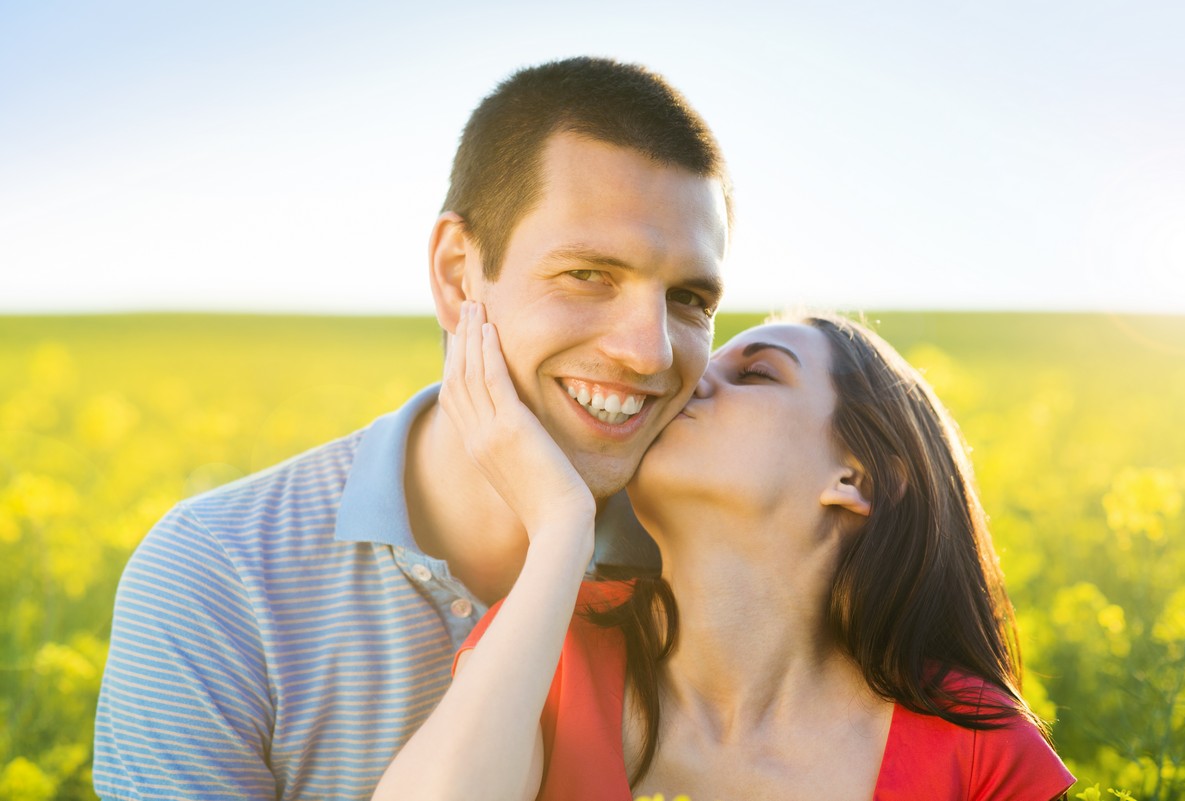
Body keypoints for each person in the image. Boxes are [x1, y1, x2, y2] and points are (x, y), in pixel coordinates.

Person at [92, 57, 732, 800]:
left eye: (689, 297)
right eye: (589, 274)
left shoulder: (711, 572)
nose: (648, 350)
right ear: (459, 275)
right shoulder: (220, 575)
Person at [375, 304, 1075, 800]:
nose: (688, 379)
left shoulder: (981, 750)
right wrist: (561, 524)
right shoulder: (549, 647)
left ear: (856, 477)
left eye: (758, 373)